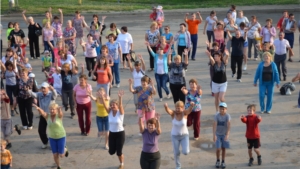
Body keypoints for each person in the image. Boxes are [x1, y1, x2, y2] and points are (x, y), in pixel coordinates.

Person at [32, 103, 69, 169]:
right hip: (52, 138)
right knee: (55, 154)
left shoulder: (59, 116)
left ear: (56, 110)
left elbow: (61, 114)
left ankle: (65, 149)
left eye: (53, 109)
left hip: (61, 136)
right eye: (50, 109)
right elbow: (43, 112)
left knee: (61, 155)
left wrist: (59, 109)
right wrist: (38, 108)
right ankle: (58, 166)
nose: (51, 111)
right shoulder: (47, 116)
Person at [164, 101, 195, 169]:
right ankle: (178, 166)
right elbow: (168, 111)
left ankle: (185, 148)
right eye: (176, 108)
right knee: (176, 152)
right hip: (175, 136)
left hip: (184, 135)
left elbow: (189, 110)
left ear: (182, 108)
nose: (177, 109)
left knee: (185, 152)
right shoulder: (173, 113)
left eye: (179, 108)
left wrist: (191, 106)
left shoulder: (185, 113)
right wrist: (166, 107)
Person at [101, 90, 126, 169]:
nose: (112, 106)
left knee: (119, 152)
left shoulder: (120, 112)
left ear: (117, 106)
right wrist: (102, 97)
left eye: (114, 105)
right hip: (112, 134)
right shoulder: (110, 112)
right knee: (111, 152)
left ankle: (121, 164)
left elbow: (121, 106)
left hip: (120, 134)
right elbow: (105, 106)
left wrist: (120, 97)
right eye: (111, 105)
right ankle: (117, 150)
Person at [29, 82, 57, 148]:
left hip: (51, 115)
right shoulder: (40, 94)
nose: (43, 90)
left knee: (53, 130)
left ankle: (54, 144)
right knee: (41, 130)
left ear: (48, 88)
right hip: (43, 115)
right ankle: (45, 142)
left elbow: (55, 95)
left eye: (44, 88)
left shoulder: (51, 94)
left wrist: (53, 90)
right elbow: (34, 95)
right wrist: (28, 90)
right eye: (42, 88)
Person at [213, 102, 231, 169]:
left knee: (223, 148)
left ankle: (223, 161)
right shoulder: (217, 116)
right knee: (218, 149)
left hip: (224, 134)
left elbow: (229, 125)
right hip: (218, 134)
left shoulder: (227, 116)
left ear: (226, 109)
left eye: (223, 109)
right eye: (220, 109)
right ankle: (218, 160)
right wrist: (214, 135)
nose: (222, 110)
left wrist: (227, 134)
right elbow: (214, 125)